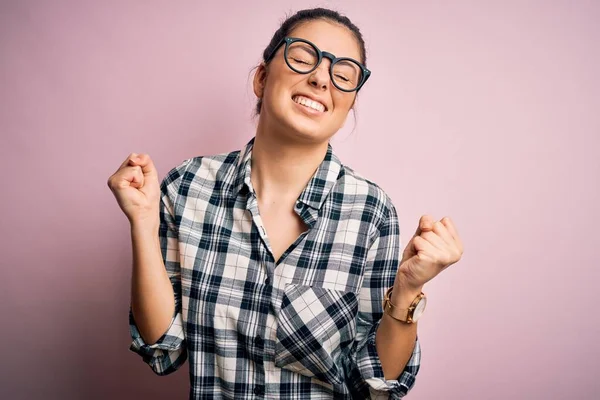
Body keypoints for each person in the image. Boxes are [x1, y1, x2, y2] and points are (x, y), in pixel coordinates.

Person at [107, 7, 463, 399]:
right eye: (303, 57)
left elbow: (374, 386)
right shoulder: (188, 186)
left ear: (348, 104)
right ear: (262, 78)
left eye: (343, 76)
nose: (320, 79)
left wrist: (408, 290)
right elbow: (163, 349)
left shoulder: (371, 212)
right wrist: (142, 221)